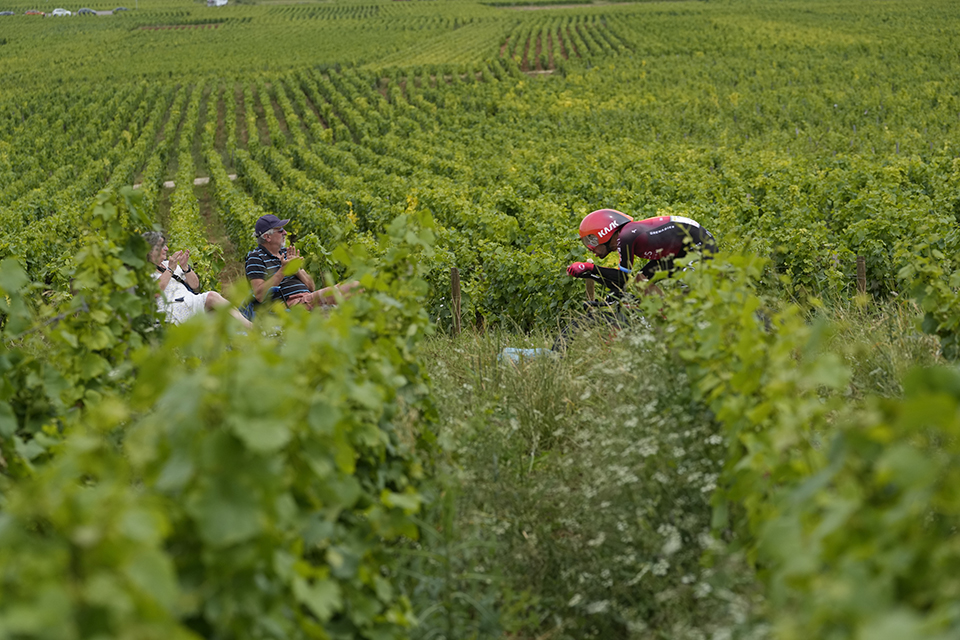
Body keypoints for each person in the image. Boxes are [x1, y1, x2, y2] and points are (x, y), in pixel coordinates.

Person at [566, 209, 717, 294]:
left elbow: (623, 278)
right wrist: (591, 272)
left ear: (605, 232)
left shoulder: (626, 236)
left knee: (688, 293)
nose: (592, 250)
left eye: (592, 241)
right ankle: (661, 319)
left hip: (698, 245)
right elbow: (623, 283)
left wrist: (590, 268)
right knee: (640, 280)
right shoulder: (626, 235)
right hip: (679, 249)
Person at [245, 214, 360, 311]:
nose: (285, 232)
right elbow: (259, 295)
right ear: (267, 237)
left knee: (358, 287)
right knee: (345, 291)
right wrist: (283, 271)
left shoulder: (286, 253)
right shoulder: (255, 258)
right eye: (280, 230)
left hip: (308, 298)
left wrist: (297, 270)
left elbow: (311, 286)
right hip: (293, 305)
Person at [145, 231, 252, 328]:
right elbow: (155, 292)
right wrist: (170, 270)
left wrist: (186, 268)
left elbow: (195, 286)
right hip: (172, 311)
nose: (166, 249)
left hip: (189, 302)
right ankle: (252, 329)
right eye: (161, 246)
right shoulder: (145, 271)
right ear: (150, 250)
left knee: (219, 315)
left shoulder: (168, 264)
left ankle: (245, 337)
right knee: (212, 297)